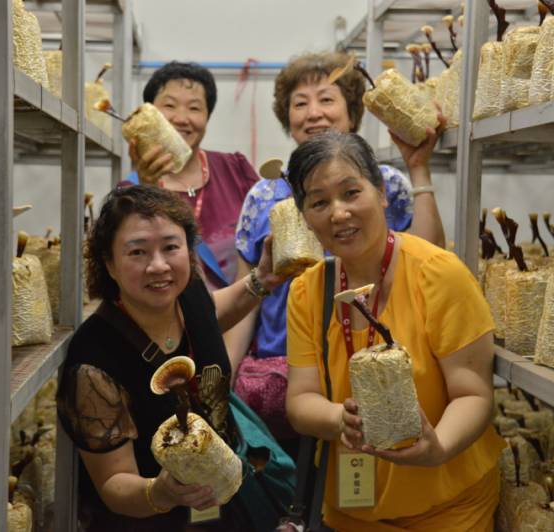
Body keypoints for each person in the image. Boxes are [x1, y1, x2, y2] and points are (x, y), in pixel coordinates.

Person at [284, 131, 505, 531]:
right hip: (351, 512)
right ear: (305, 218)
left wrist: (438, 447)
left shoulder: (438, 274)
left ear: (382, 193)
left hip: (448, 511)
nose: (338, 213)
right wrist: (339, 419)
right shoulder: (307, 291)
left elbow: (473, 393)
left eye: (351, 193)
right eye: (319, 202)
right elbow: (301, 400)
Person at [227, 51, 445, 443]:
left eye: (326, 99)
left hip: (372, 363)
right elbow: (248, 295)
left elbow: (429, 260)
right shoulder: (263, 195)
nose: (314, 113)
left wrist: (418, 169)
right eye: (300, 103)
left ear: (352, 111)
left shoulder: (384, 184)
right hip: (280, 372)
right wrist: (223, 378)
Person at [56, 185, 286, 531]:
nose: (158, 265)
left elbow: (211, 316)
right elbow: (113, 483)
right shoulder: (94, 361)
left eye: (170, 247)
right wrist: (161, 492)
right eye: (138, 252)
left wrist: (261, 280)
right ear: (109, 264)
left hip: (224, 510)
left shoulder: (188, 295)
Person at [126, 61, 259, 290]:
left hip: (243, 306)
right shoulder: (129, 192)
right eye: (169, 105)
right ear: (149, 112)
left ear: (208, 116)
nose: (181, 118)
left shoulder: (235, 169)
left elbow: (263, 238)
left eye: (194, 108)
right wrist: (148, 188)